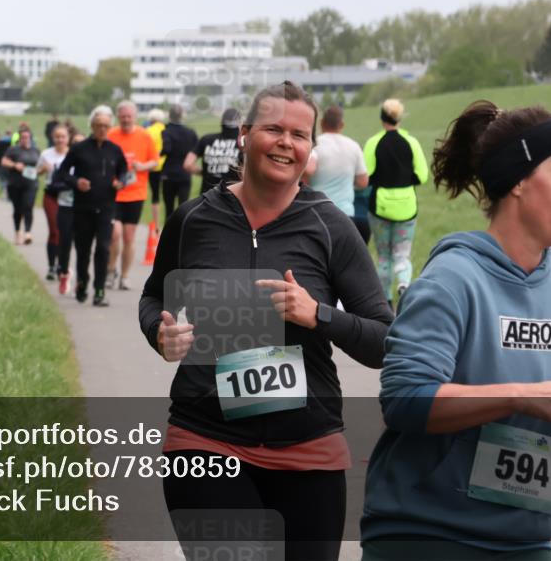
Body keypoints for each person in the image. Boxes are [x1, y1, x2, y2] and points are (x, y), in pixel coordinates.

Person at [139, 81, 393, 561]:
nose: (286, 142)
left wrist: (317, 314)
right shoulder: (194, 219)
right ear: (244, 134)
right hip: (205, 440)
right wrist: (160, 332)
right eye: (274, 129)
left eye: (299, 135)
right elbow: (153, 297)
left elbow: (384, 340)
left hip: (308, 448)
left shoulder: (331, 226)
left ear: (310, 149)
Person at [360, 100, 551, 561]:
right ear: (518, 179)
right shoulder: (452, 277)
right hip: (428, 533)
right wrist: (519, 395)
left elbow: (541, 402)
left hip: (525, 535)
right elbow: (404, 399)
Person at [54, 105, 127, 307]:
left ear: (110, 126)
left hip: (106, 207)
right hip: (83, 207)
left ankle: (100, 291)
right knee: (83, 249)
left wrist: (120, 181)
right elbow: (62, 173)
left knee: (103, 248)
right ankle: (82, 282)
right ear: (92, 125)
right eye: (98, 125)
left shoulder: (115, 150)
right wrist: (76, 182)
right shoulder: (79, 148)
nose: (102, 129)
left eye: (105, 125)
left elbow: (124, 171)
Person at [363, 99, 429, 306]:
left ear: (382, 118)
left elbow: (367, 176)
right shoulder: (412, 142)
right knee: (402, 255)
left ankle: (386, 301)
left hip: (380, 207)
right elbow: (422, 175)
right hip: (407, 207)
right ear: (399, 118)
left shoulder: (373, 142)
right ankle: (404, 286)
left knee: (384, 257)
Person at [106, 100, 159, 290]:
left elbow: (155, 161)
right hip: (114, 193)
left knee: (129, 237)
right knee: (115, 234)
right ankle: (111, 271)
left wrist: (143, 166)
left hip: (136, 193)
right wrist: (110, 179)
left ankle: (125, 276)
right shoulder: (111, 135)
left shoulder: (144, 136)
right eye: (123, 116)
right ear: (118, 117)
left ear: (135, 117)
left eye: (129, 116)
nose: (126, 119)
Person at [309, 105, 369, 242]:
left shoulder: (315, 144)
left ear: (321, 123)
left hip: (317, 212)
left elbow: (308, 169)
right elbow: (363, 182)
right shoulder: (353, 146)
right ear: (342, 124)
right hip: (346, 214)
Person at [55, 131, 89, 296]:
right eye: (75, 142)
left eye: (81, 142)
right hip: (66, 206)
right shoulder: (64, 162)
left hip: (84, 208)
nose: (78, 145)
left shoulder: (89, 162)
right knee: (65, 242)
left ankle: (81, 279)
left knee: (82, 246)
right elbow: (55, 182)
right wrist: (73, 184)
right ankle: (63, 273)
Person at [37, 124, 71, 280]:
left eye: (63, 136)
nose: (60, 139)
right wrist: (43, 169)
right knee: (54, 230)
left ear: (68, 138)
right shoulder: (46, 154)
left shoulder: (72, 154)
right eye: (57, 136)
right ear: (53, 138)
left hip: (68, 196)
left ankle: (62, 264)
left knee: (65, 233)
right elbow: (36, 172)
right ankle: (52, 265)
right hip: (51, 195)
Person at [184, 107, 242, 196]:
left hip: (207, 197)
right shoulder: (244, 144)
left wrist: (206, 173)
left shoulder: (206, 139)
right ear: (239, 124)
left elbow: (188, 164)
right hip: (233, 198)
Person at [2, 124, 41, 245]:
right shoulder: (13, 150)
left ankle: (28, 232)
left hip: (31, 183)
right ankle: (17, 231)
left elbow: (40, 165)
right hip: (15, 183)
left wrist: (39, 171)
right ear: (19, 138)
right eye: (23, 137)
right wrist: (15, 165)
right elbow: (4, 161)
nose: (25, 139)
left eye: (27, 137)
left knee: (28, 206)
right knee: (18, 209)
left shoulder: (36, 150)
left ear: (30, 138)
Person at [160, 104, 198, 220]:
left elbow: (167, 149)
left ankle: (168, 236)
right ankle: (181, 235)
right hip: (184, 173)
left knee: (169, 208)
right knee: (183, 207)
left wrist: (160, 153)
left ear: (169, 116)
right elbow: (196, 149)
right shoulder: (190, 132)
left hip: (169, 173)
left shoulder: (166, 131)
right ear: (182, 116)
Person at [145, 108, 167, 229]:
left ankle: (156, 224)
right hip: (166, 166)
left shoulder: (148, 131)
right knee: (167, 196)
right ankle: (167, 222)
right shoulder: (166, 129)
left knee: (155, 195)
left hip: (153, 166)